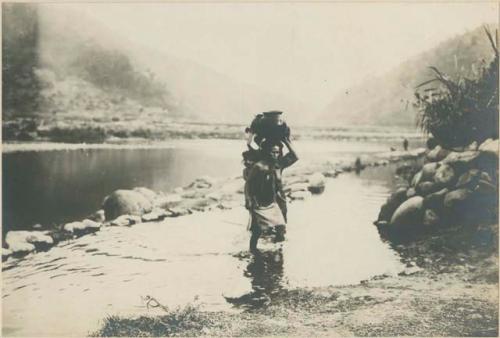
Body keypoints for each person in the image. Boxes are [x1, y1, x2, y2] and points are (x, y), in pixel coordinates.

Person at [245, 137, 298, 252]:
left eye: (278, 152)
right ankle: (252, 252)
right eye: (273, 152)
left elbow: (295, 156)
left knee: (281, 227)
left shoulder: (279, 165)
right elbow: (248, 184)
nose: (275, 154)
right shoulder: (259, 166)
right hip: (259, 202)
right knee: (257, 231)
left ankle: (278, 253)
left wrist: (286, 141)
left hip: (273, 203)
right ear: (266, 152)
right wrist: (248, 199)